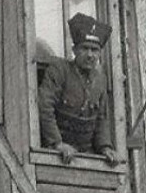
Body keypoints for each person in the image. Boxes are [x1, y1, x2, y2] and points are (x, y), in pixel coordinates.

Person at [38, 13, 121, 166]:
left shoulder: (100, 79)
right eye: (85, 48)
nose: (90, 55)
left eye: (95, 50)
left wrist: (105, 147)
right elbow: (45, 107)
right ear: (75, 50)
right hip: (55, 153)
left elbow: (101, 118)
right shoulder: (59, 70)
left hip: (85, 155)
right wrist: (57, 143)